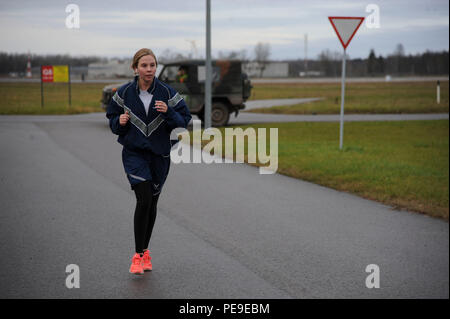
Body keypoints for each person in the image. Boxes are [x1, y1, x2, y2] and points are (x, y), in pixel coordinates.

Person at [106, 48, 192, 275]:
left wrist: (169, 113)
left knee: (152, 203)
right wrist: (120, 121)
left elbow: (185, 120)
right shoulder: (124, 93)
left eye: (152, 65)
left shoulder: (167, 92)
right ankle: (137, 255)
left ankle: (145, 251)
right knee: (143, 199)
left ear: (156, 67)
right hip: (134, 154)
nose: (149, 69)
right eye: (144, 65)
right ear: (135, 68)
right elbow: (112, 117)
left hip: (159, 156)